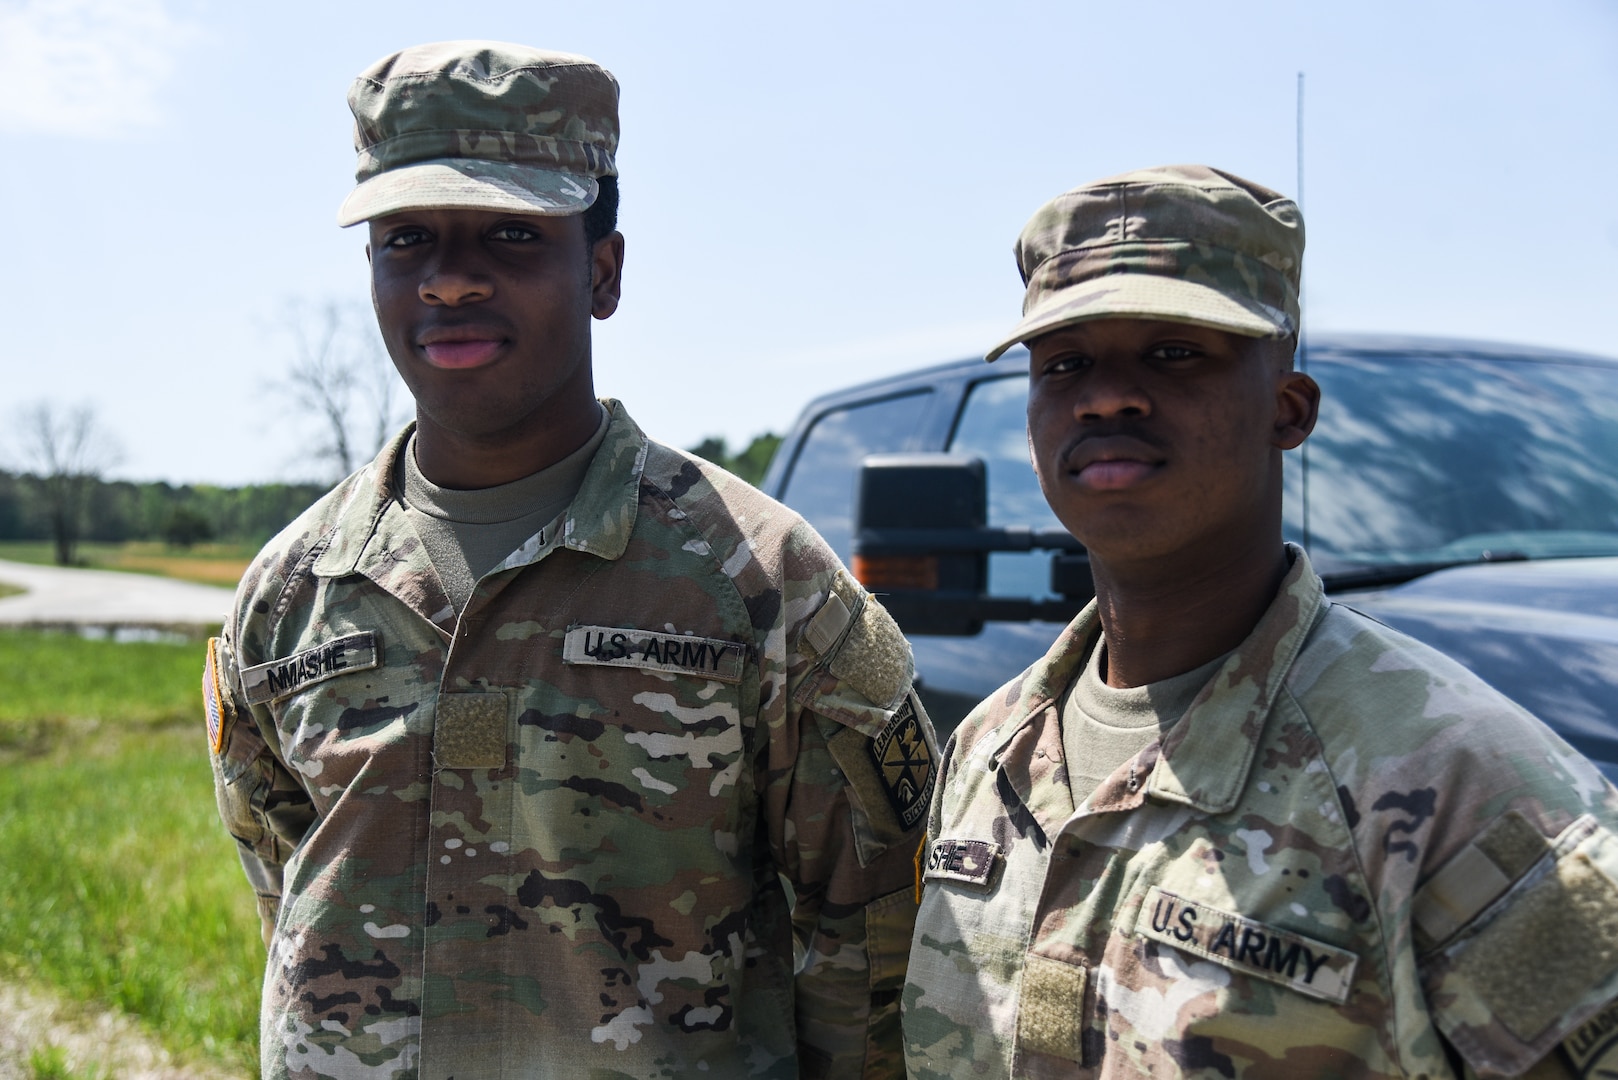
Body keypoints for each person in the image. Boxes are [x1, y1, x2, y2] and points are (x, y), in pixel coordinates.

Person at [203, 41, 934, 1079]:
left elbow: (871, 961)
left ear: (602, 270)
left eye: (511, 233)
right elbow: (285, 893)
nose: (451, 280)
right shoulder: (287, 596)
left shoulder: (762, 583)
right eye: (406, 239)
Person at [901, 164, 1618, 1078]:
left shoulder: (1453, 781)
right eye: (1066, 363)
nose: (1105, 396)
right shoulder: (986, 752)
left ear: (1288, 410)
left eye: (1176, 353)